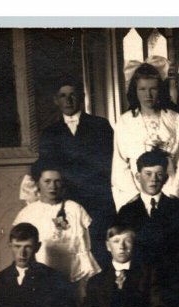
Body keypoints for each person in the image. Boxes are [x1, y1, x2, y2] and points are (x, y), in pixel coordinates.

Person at [116, 149, 179, 307]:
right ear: (138, 176)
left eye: (159, 174)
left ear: (167, 178)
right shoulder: (127, 212)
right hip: (141, 288)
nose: (154, 179)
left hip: (173, 288)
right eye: (148, 174)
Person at [37, 76, 115, 269]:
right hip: (67, 201)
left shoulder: (100, 126)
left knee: (99, 253)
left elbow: (108, 164)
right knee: (70, 253)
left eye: (72, 95)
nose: (68, 100)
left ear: (81, 97)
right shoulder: (49, 133)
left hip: (97, 200)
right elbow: (49, 168)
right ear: (56, 100)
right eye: (63, 96)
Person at [112, 59, 179, 211]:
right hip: (136, 192)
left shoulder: (174, 119)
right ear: (135, 90)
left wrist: (173, 194)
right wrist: (135, 196)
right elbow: (119, 164)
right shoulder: (125, 121)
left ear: (160, 90)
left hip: (169, 189)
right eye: (142, 89)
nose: (148, 94)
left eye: (153, 89)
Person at [14, 158, 101, 289]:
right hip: (39, 281)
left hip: (72, 278)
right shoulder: (27, 214)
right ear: (38, 183)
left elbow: (85, 247)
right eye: (47, 181)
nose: (52, 186)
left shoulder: (75, 209)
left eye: (57, 181)